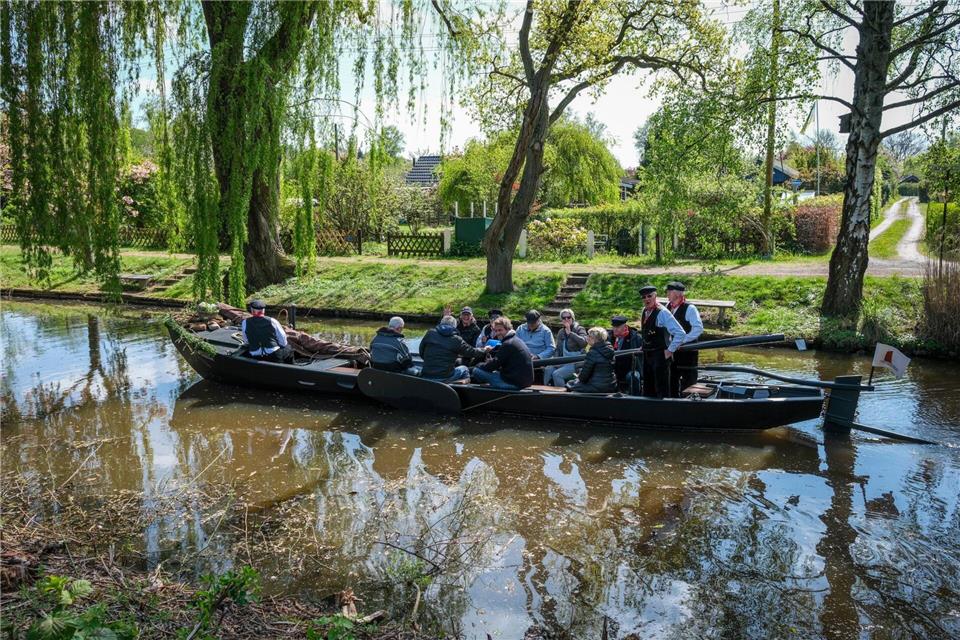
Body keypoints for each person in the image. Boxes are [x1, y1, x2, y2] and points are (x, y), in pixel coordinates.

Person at [637, 284, 687, 399]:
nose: (646, 299)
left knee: (662, 389)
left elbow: (680, 333)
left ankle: (664, 413)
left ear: (655, 296)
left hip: (660, 355)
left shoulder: (663, 312)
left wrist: (670, 350)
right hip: (647, 354)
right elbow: (647, 331)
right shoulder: (644, 311)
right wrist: (643, 345)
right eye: (644, 297)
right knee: (648, 387)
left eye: (649, 296)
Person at [470, 316, 534, 390]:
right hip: (522, 382)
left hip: (513, 384)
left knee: (476, 371)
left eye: (500, 330)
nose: (498, 333)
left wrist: (478, 365)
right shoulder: (516, 340)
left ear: (508, 329)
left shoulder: (507, 344)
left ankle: (483, 391)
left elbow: (493, 365)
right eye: (496, 331)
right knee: (494, 372)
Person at [419, 315, 488, 382]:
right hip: (444, 377)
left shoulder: (430, 333)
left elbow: (421, 351)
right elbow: (472, 352)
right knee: (464, 368)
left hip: (426, 375)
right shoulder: (456, 339)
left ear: (441, 323)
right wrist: (484, 350)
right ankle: (462, 382)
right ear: (455, 326)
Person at [665, 281, 704, 397]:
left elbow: (698, 329)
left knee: (689, 379)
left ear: (676, 294)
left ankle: (689, 404)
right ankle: (672, 401)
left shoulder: (690, 308)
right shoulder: (668, 307)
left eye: (669, 292)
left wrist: (682, 340)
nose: (667, 294)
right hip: (673, 352)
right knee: (671, 377)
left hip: (688, 352)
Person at [543, 308, 588, 387]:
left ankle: (562, 395)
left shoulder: (579, 329)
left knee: (557, 374)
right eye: (564, 318)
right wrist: (556, 361)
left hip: (575, 363)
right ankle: (545, 391)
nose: (566, 319)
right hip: (563, 361)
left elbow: (584, 343)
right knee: (548, 369)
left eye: (568, 317)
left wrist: (570, 333)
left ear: (572, 318)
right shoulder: (561, 332)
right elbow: (558, 349)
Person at [567, 327, 617, 394]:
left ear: (595, 339)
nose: (587, 337)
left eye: (589, 336)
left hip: (598, 387)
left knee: (569, 384)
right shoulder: (610, 349)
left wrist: (578, 376)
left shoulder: (593, 352)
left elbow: (583, 377)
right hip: (611, 384)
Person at [609, 314, 642, 393]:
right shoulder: (609, 336)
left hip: (630, 369)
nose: (615, 329)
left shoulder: (635, 338)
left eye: (618, 327)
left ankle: (635, 400)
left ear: (625, 327)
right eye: (614, 327)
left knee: (634, 377)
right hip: (612, 369)